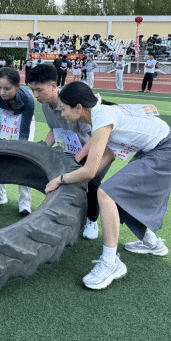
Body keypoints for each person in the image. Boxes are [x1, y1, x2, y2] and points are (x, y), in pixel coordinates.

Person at [45, 81, 171, 290]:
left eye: (64, 109)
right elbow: (108, 155)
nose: (62, 114)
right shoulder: (100, 116)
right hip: (156, 149)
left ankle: (111, 263)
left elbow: (90, 170)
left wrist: (61, 179)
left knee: (107, 194)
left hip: (167, 151)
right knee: (118, 194)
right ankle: (152, 243)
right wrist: (81, 179)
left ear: (79, 108)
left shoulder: (101, 117)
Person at [27, 64, 114, 239]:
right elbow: (54, 129)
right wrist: (42, 149)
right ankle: (68, 216)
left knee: (91, 184)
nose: (35, 95)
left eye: (39, 90)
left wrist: (76, 160)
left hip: (93, 150)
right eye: (32, 90)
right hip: (71, 151)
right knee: (62, 182)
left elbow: (93, 137)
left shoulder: (73, 103)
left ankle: (91, 220)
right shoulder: (46, 106)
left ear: (53, 86)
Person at [0, 67, 35, 215]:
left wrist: (20, 150)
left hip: (23, 122)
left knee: (24, 159)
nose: (2, 92)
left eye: (7, 89)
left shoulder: (28, 99)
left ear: (17, 86)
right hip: (4, 118)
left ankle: (25, 203)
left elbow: (24, 130)